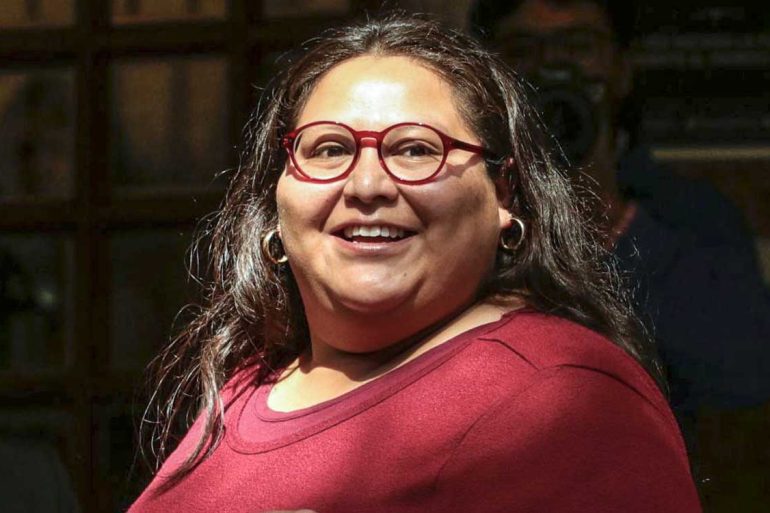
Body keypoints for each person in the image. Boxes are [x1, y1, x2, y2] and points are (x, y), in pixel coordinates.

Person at [129, 14, 701, 513]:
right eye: (329, 149)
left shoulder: (562, 399)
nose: (367, 185)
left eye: (415, 150)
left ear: (503, 195)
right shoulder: (247, 387)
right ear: (276, 204)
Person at [469, 0, 770, 445]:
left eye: (579, 46)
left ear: (621, 69)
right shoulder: (461, 209)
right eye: (523, 49)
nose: (553, 66)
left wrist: (617, 219)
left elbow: (743, 378)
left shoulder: (692, 215)